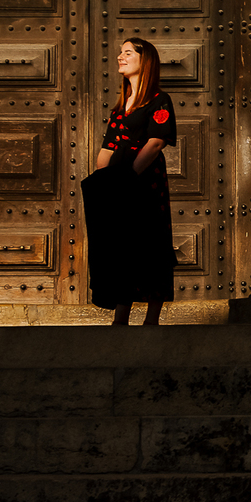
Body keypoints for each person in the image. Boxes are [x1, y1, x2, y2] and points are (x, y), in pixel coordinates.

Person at [81, 38, 177, 325]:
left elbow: (156, 142)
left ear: (143, 59)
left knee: (151, 242)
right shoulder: (120, 107)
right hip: (119, 184)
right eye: (119, 53)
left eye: (127, 53)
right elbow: (106, 149)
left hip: (144, 183)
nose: (120, 57)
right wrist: (105, 180)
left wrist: (129, 176)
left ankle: (151, 320)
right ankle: (120, 318)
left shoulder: (159, 100)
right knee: (121, 245)